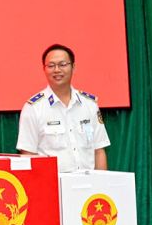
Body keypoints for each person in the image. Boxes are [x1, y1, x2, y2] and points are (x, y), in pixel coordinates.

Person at [16, 44, 110, 172]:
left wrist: (101, 182)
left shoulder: (89, 104)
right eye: (51, 66)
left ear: (73, 67)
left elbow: (99, 150)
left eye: (62, 64)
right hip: (52, 183)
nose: (57, 70)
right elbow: (28, 155)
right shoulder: (33, 108)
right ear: (44, 69)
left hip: (88, 182)